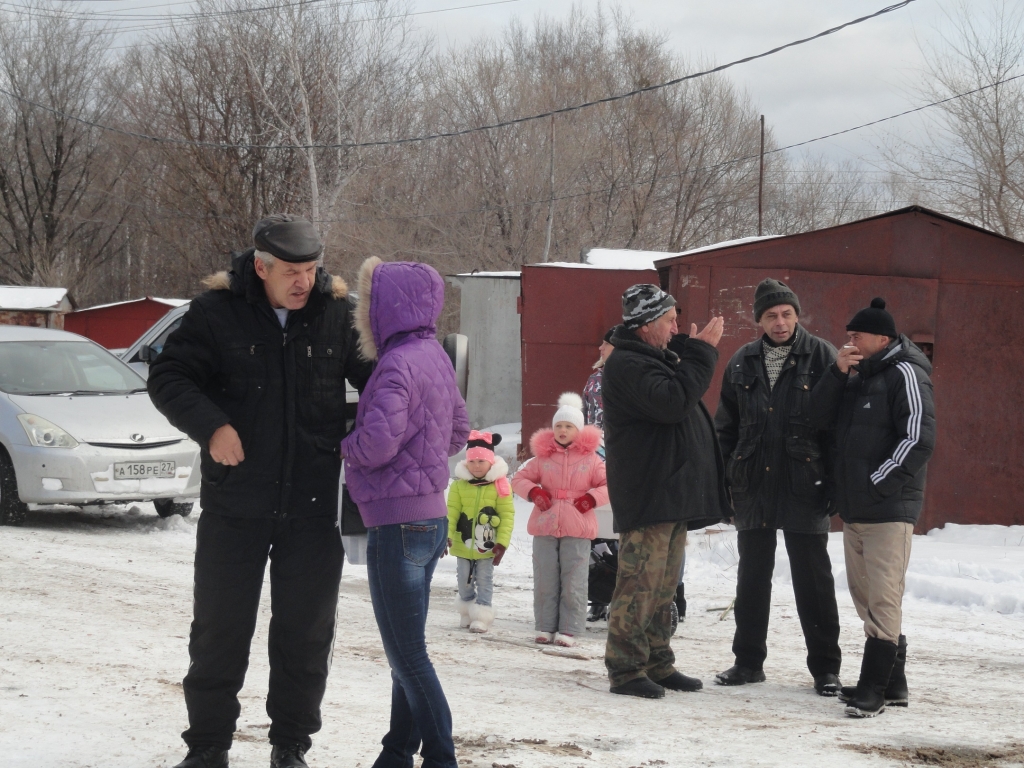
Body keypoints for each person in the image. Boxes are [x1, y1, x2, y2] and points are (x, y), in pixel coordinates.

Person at [147, 214, 373, 768]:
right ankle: (207, 748)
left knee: (305, 632)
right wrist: (213, 426)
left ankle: (290, 745)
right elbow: (169, 377)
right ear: (261, 267)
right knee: (220, 628)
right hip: (236, 501)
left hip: (313, 503)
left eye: (312, 270)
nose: (304, 282)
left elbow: (383, 381)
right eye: (292, 272)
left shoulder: (336, 317)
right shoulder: (216, 314)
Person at [341, 256, 469, 767]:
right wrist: (426, 448)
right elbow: (459, 431)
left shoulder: (395, 364)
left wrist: (345, 443)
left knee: (407, 655)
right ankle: (396, 752)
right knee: (406, 647)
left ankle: (441, 757)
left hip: (396, 524)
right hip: (429, 519)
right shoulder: (432, 354)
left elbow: (376, 443)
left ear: (384, 310)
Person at [713, 279, 844, 696]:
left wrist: (834, 483)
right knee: (752, 578)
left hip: (806, 482)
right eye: (771, 315)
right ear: (759, 320)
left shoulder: (822, 355)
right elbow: (725, 429)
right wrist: (724, 484)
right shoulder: (742, 361)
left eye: (787, 313)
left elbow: (837, 427)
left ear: (797, 314)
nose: (780, 321)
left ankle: (826, 669)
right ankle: (748, 662)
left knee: (813, 580)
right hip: (752, 484)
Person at [810, 297, 935, 718]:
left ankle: (872, 689)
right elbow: (819, 420)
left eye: (857, 334)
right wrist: (835, 373)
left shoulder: (906, 372)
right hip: (856, 507)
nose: (850, 340)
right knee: (866, 598)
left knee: (883, 599)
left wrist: (877, 482)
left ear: (883, 338)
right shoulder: (857, 375)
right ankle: (894, 685)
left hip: (888, 506)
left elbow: (918, 437)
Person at [602, 284, 727, 699]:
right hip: (649, 492)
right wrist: (703, 353)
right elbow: (673, 402)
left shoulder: (653, 358)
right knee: (640, 583)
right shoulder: (627, 364)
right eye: (671, 320)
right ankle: (625, 670)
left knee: (664, 586)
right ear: (646, 325)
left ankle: (657, 661)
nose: (677, 328)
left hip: (669, 492)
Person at [512, 393, 608, 647]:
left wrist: (591, 498)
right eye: (558, 426)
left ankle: (569, 629)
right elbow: (518, 479)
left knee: (573, 579)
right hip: (545, 524)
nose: (563, 430)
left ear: (578, 430)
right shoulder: (542, 458)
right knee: (545, 577)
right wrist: (534, 492)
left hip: (578, 526)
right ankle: (545, 627)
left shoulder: (592, 459)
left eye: (568, 426)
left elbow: (610, 485)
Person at [446, 430, 515, 634]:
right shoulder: (458, 486)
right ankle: (467, 609)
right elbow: (451, 513)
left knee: (484, 578)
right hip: (463, 544)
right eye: (472, 461)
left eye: (481, 462)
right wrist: (447, 535)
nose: (476, 466)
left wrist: (501, 542)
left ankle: (482, 613)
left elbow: (507, 515)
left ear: (491, 463)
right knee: (463, 579)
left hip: (488, 545)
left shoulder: (500, 486)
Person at [582, 328, 614, 430]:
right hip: (594, 443)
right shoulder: (594, 379)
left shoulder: (633, 378)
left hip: (621, 443)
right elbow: (583, 413)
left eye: (607, 344)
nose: (601, 348)